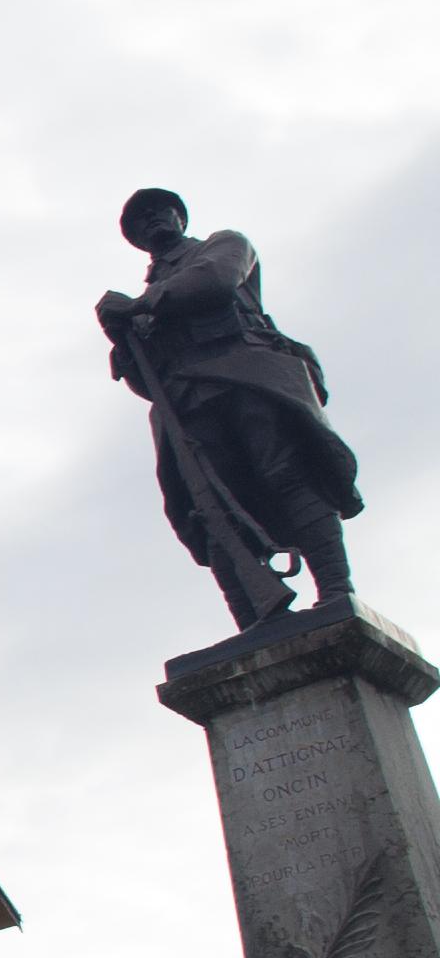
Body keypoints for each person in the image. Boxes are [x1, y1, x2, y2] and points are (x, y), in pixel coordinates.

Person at [98, 187, 361, 629]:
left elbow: (215, 281)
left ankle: (336, 590)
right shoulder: (141, 303)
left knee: (287, 474)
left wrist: (139, 306)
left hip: (245, 374)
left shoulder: (224, 245)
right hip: (187, 403)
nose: (153, 222)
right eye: (141, 222)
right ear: (136, 239)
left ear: (179, 217)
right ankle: (255, 622)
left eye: (160, 212)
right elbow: (150, 383)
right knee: (213, 511)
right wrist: (122, 339)